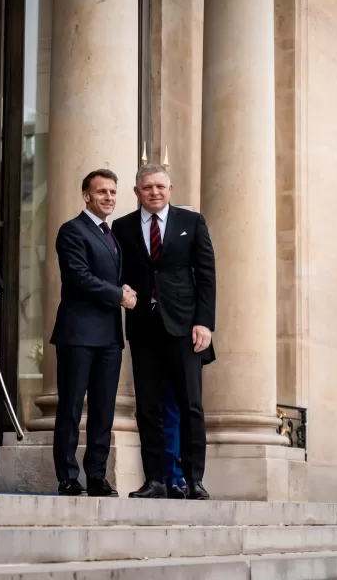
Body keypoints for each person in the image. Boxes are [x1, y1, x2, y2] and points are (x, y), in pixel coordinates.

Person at [111, 163, 215, 500]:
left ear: (170, 190)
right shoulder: (122, 227)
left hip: (184, 326)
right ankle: (154, 480)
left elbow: (206, 274)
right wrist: (121, 290)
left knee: (190, 405)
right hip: (143, 326)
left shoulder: (192, 222)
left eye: (160, 186)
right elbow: (119, 272)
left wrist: (204, 322)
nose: (154, 192)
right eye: (147, 187)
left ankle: (193, 479)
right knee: (148, 407)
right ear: (137, 192)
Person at [49, 169, 131, 497]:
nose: (108, 197)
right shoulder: (72, 230)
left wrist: (126, 290)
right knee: (70, 408)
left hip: (110, 336)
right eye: (101, 192)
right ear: (86, 196)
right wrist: (118, 294)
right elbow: (78, 277)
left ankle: (97, 476)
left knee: (103, 410)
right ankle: (68, 476)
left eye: (112, 192)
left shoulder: (111, 235)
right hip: (78, 333)